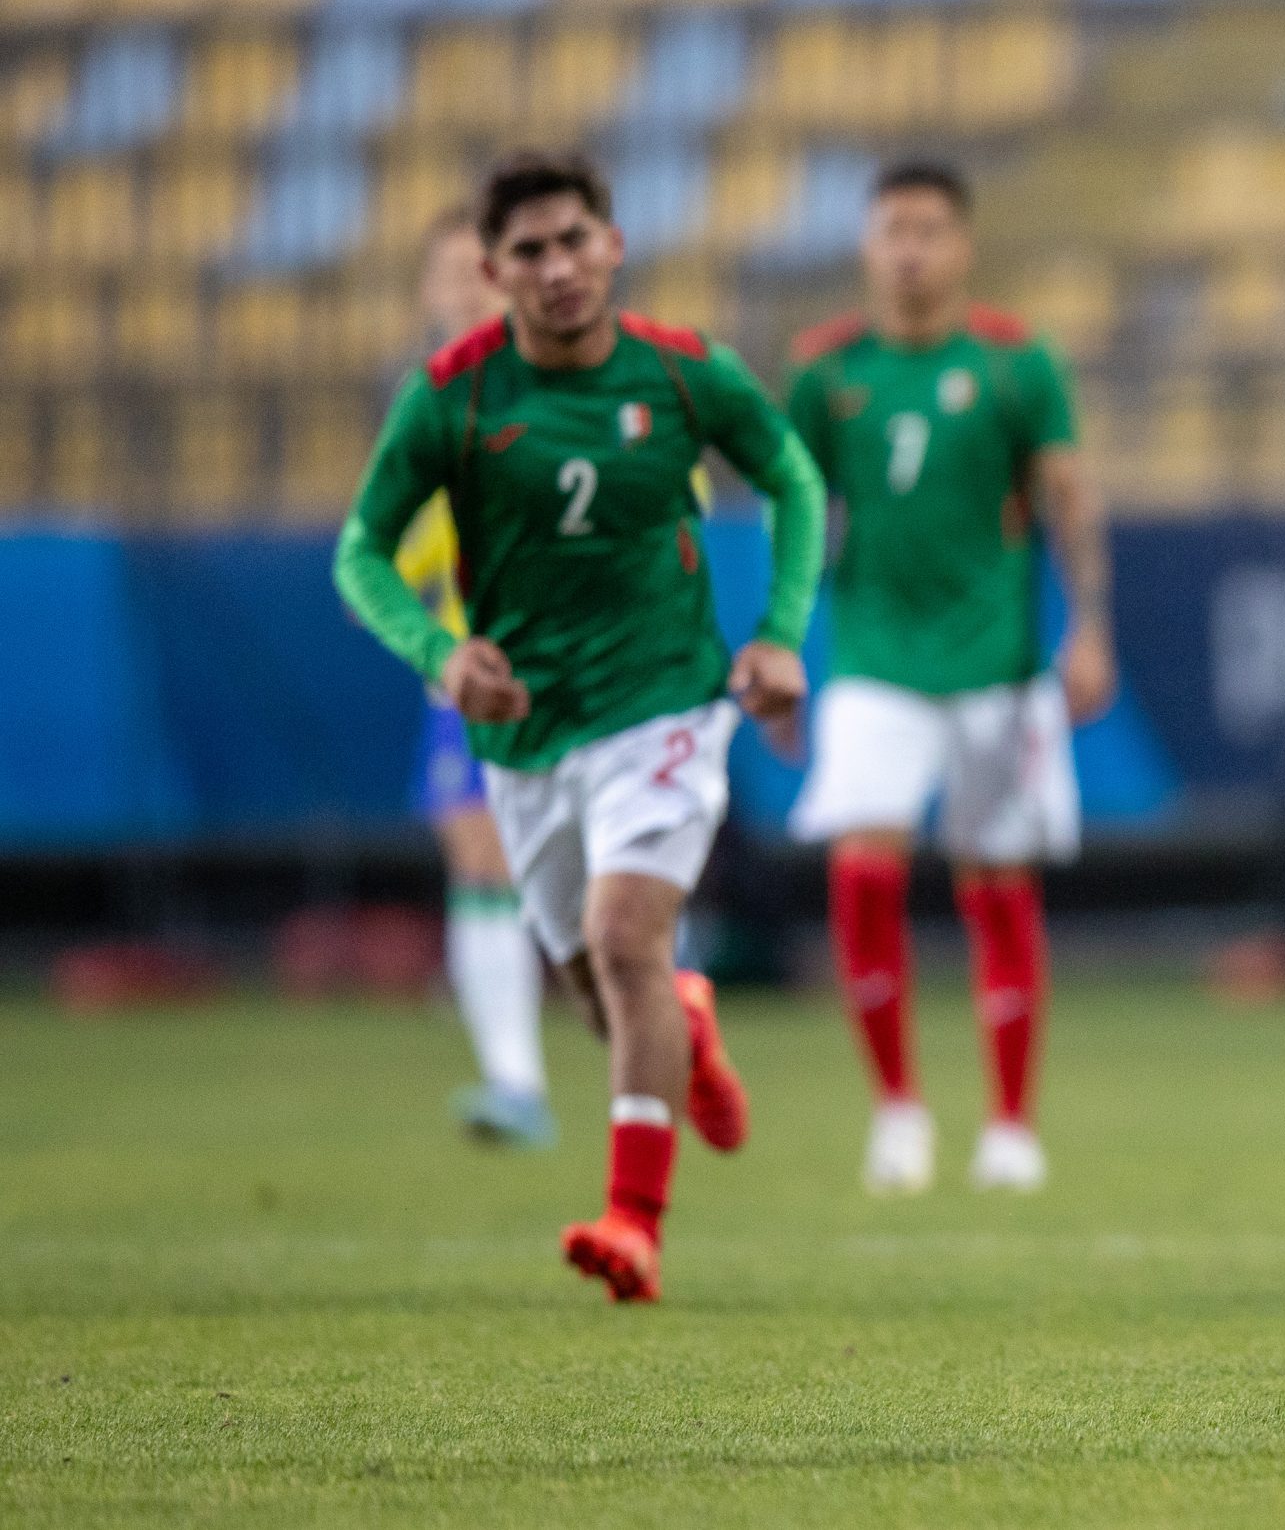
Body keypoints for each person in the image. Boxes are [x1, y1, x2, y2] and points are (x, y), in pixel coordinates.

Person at [334, 150, 827, 1302]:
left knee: (622, 938)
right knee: (593, 985)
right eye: (529, 252)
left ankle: (632, 1223)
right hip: (526, 734)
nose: (556, 269)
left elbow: (795, 480)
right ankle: (688, 1027)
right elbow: (360, 553)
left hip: (665, 702)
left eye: (574, 242)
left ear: (611, 245)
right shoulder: (451, 394)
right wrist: (438, 652)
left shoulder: (687, 372)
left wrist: (781, 631)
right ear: (491, 269)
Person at [784, 161, 1116, 1196]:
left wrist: (1090, 630)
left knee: (996, 887)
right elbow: (796, 518)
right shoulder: (825, 372)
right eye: (894, 230)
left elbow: (1067, 499)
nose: (911, 249)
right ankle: (897, 1109)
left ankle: (1010, 1125)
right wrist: (778, 649)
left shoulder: (1017, 366)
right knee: (862, 873)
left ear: (961, 245)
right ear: (867, 246)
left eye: (930, 230)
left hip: (998, 668)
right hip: (874, 663)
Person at [395, 207, 552, 1148]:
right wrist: (425, 642)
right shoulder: (423, 407)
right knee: (477, 856)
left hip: (570, 669)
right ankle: (514, 1078)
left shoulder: (550, 386)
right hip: (470, 678)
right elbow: (383, 554)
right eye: (445, 273)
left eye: (475, 271)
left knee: (576, 883)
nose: (461, 290)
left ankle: (663, 1031)